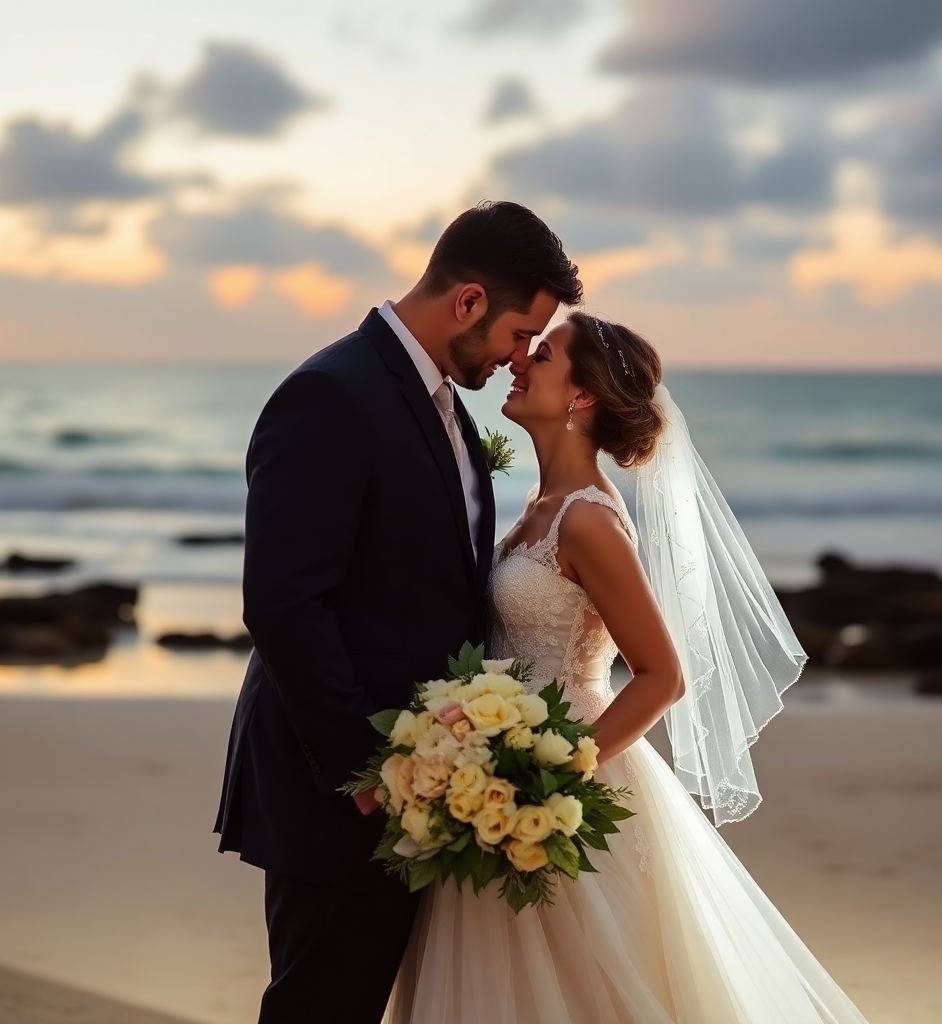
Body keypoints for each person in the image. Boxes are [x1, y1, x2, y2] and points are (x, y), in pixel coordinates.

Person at [385, 313, 871, 1023]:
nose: (519, 360)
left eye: (542, 354)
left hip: (562, 779)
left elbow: (661, 675)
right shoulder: (536, 509)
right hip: (497, 771)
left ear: (582, 397)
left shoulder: (589, 522)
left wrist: (556, 777)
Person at [213, 201, 583, 1024]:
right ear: (468, 303)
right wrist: (363, 772)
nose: (522, 358)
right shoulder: (331, 395)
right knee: (322, 1007)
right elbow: (282, 599)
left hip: (423, 785)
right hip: (342, 787)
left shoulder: (445, 404)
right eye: (522, 334)